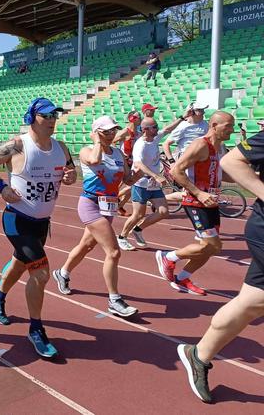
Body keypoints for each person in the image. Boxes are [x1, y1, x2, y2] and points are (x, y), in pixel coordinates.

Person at [0, 98, 76, 359]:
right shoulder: (19, 145)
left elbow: (72, 173)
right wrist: (2, 188)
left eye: (55, 116)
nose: (52, 120)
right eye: (47, 116)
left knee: (21, 263)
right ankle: (36, 329)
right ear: (33, 118)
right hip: (17, 219)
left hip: (42, 223)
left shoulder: (62, 148)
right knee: (42, 273)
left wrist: (70, 176)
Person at [177, 130, 264, 403]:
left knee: (252, 302)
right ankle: (172, 260)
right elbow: (231, 162)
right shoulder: (200, 144)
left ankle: (199, 354)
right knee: (211, 245)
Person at [52, 116, 143, 317]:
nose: (111, 134)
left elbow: (127, 178)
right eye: (106, 131)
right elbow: (94, 160)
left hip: (108, 205)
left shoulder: (118, 153)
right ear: (96, 132)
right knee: (113, 252)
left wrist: (138, 175)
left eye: (113, 131)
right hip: (90, 204)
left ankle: (62, 272)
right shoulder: (87, 150)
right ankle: (114, 300)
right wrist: (96, 142)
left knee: (87, 245)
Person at [155, 111, 235, 295]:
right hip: (195, 201)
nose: (232, 130)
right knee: (214, 246)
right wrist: (199, 193)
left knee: (208, 249)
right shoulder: (200, 145)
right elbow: (176, 171)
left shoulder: (219, 147)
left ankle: (182, 278)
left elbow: (223, 173)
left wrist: (251, 179)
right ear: (214, 126)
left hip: (210, 202)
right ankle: (168, 257)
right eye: (228, 126)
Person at [116, 114, 186, 250]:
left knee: (163, 211)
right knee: (138, 214)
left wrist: (183, 118)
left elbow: (167, 129)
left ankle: (138, 229)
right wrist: (156, 175)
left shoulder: (154, 138)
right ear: (145, 130)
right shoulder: (140, 145)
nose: (157, 129)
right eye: (154, 127)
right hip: (141, 183)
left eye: (157, 126)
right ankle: (122, 237)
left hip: (153, 184)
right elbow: (138, 164)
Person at [113, 110, 142, 216]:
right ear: (131, 118)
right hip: (124, 162)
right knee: (124, 186)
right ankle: (114, 200)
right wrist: (118, 154)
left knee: (132, 186)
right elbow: (112, 141)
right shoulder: (125, 131)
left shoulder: (139, 133)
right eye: (138, 117)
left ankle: (118, 204)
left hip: (133, 161)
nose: (140, 119)